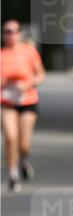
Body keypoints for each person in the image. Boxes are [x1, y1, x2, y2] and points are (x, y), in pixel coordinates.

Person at [1, 20, 45, 192]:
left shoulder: (29, 52)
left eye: (14, 31)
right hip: (6, 101)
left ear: (19, 33)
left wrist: (28, 84)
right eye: (7, 31)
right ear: (3, 34)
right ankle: (13, 175)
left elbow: (41, 75)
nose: (11, 34)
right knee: (11, 138)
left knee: (24, 144)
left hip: (27, 100)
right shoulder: (1, 54)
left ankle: (24, 160)